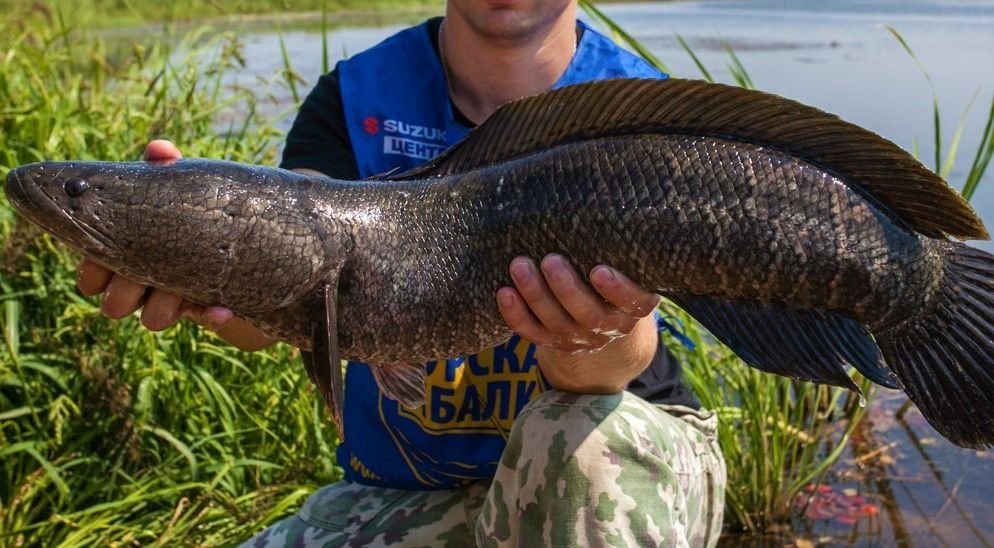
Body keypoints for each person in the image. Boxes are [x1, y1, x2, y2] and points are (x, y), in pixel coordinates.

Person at [76, 1, 726, 545]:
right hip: (416, 491)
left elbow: (618, 369)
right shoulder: (354, 95)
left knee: (572, 449)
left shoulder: (645, 113)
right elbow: (286, 306)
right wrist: (201, 270)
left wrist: (586, 329)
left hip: (614, 457)